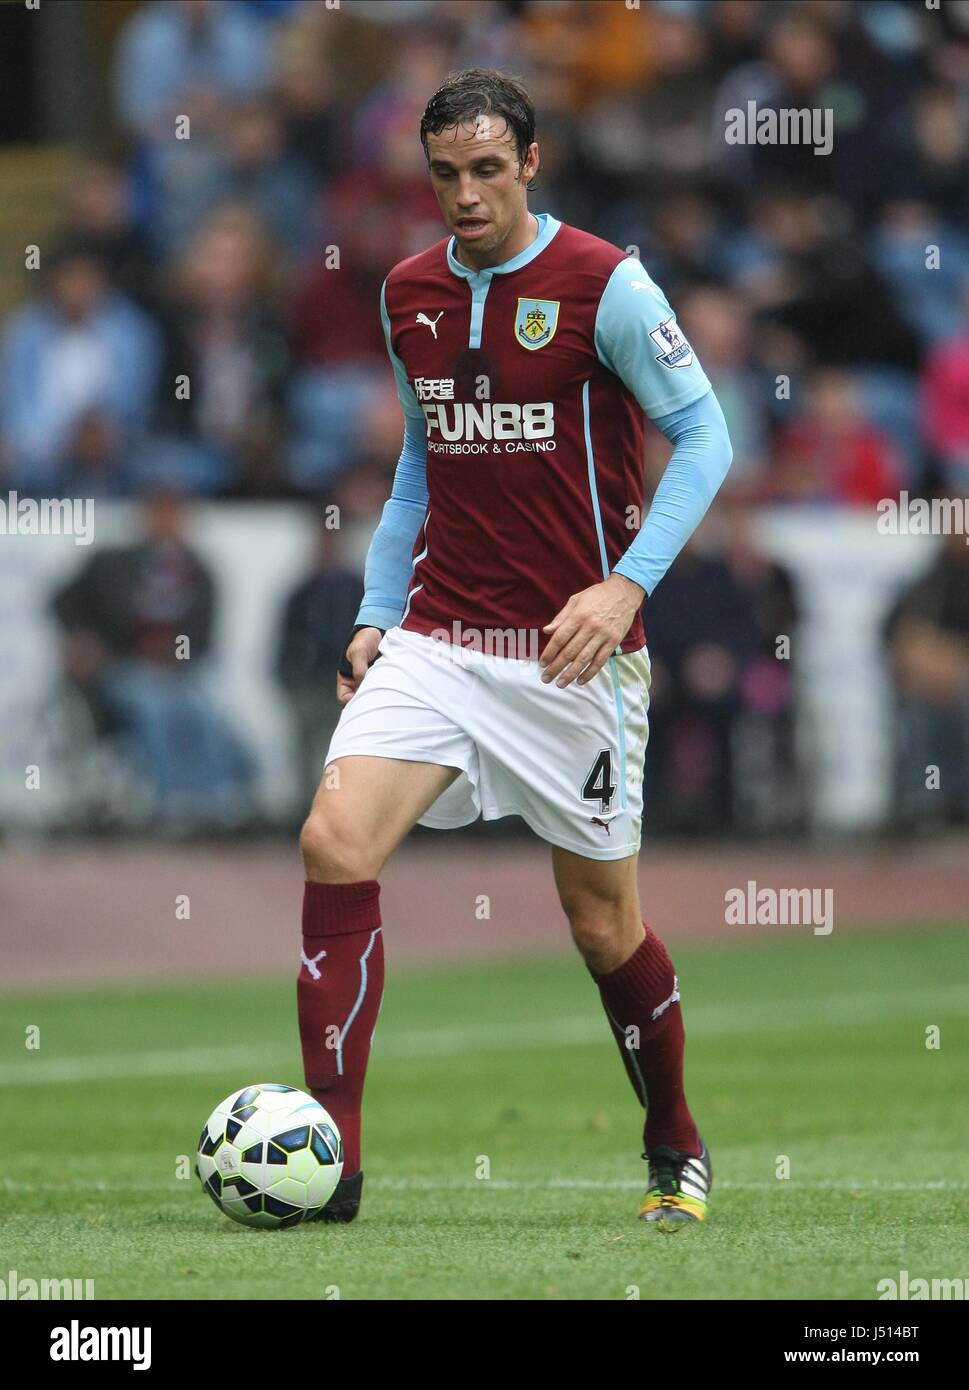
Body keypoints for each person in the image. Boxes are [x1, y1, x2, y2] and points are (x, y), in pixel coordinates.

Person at [296, 70, 732, 1227]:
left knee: (602, 923)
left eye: (488, 170)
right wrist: (375, 610)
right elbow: (417, 467)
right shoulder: (407, 293)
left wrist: (621, 587)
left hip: (569, 659)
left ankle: (673, 1139)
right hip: (441, 635)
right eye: (446, 174)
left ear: (529, 162)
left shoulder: (606, 284)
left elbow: (706, 436)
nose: (467, 195)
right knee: (335, 839)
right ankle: (329, 1155)